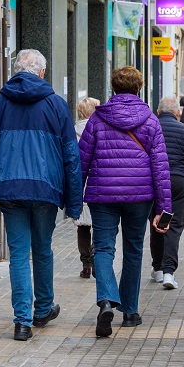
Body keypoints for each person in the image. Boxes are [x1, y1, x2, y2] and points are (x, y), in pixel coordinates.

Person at [0, 49, 82, 342]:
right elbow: (71, 155)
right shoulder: (57, 106)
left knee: (19, 253)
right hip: (46, 189)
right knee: (42, 250)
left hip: (8, 188)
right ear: (42, 73)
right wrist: (74, 202)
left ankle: (22, 322)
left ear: (16, 70)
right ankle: (42, 309)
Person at [79, 66, 172, 338]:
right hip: (139, 195)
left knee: (104, 249)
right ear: (139, 88)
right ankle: (130, 311)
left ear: (113, 88)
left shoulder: (97, 119)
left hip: (102, 194)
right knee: (133, 250)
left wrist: (73, 199)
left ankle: (107, 300)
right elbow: (161, 167)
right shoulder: (151, 120)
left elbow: (81, 162)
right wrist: (163, 208)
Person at [149, 97, 184, 289]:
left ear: (158, 112)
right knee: (173, 225)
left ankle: (157, 269)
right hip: (177, 181)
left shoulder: (150, 129)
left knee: (156, 223)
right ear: (178, 113)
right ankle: (168, 272)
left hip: (154, 182)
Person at [74, 97, 101, 279]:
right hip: (98, 182)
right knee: (100, 223)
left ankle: (86, 265)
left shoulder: (71, 132)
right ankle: (97, 258)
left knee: (82, 227)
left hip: (79, 182)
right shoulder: (99, 129)